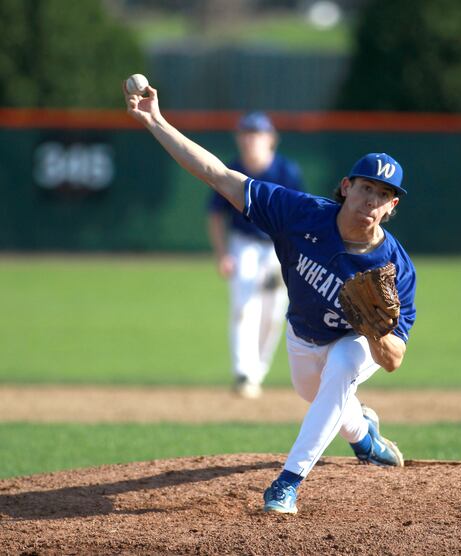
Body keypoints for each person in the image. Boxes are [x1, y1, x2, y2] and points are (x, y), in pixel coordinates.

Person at [124, 82, 416, 515]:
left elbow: (393, 359)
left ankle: (287, 484)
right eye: (366, 188)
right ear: (345, 187)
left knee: (341, 367)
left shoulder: (394, 268)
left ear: (392, 207)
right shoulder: (299, 214)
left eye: (384, 195)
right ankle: (365, 437)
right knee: (317, 394)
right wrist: (156, 122)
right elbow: (217, 175)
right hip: (303, 338)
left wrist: (377, 332)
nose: (371, 201)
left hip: (354, 343)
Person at [207, 111, 305, 399]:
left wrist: (291, 256)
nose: (251, 139)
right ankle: (243, 372)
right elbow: (215, 215)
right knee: (244, 305)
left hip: (278, 247)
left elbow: (300, 217)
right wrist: (222, 253)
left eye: (257, 133)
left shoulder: (287, 171)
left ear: (271, 139)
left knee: (274, 312)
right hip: (244, 244)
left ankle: (257, 372)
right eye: (246, 133)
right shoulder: (233, 168)